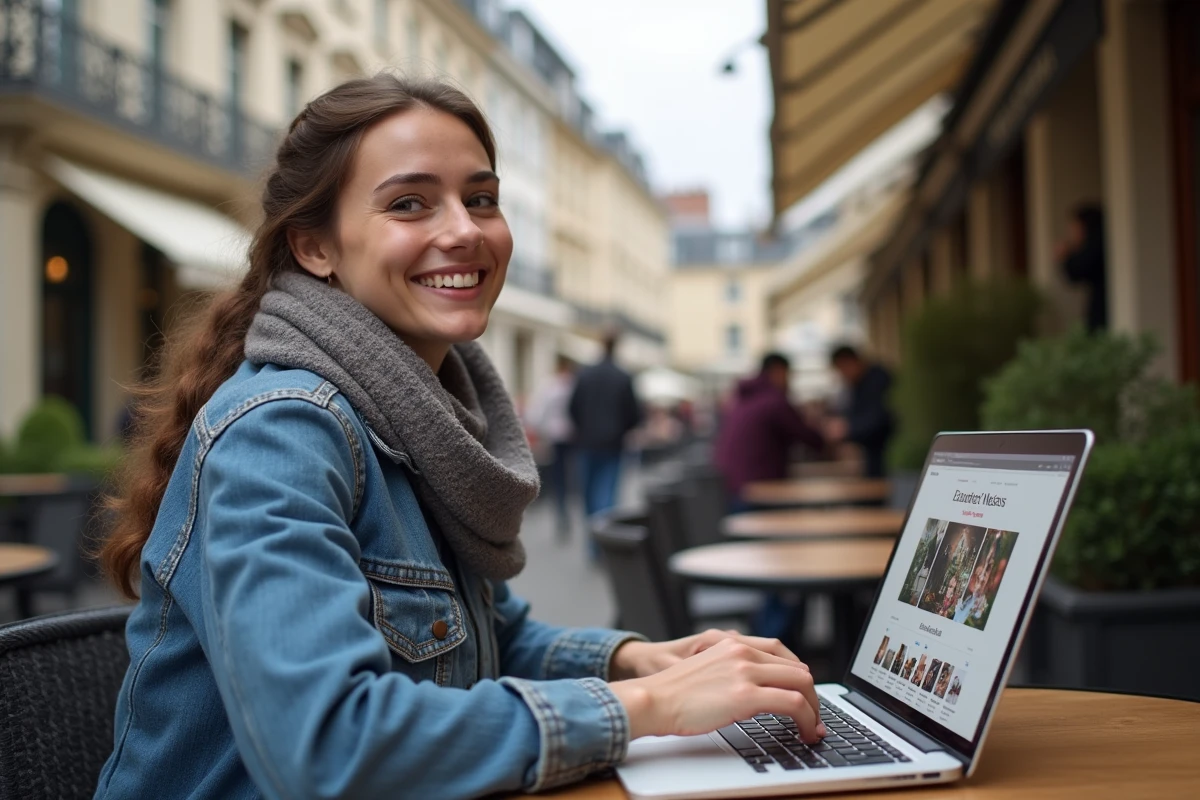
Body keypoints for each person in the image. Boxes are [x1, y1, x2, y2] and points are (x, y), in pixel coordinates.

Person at [91, 74, 825, 800]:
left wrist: (640, 661)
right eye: (410, 203)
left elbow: (486, 637)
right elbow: (326, 744)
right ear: (315, 248)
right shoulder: (285, 429)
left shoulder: (418, 414)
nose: (465, 230)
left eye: (481, 199)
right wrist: (649, 709)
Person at [713, 352, 824, 505]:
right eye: (788, 375)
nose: (788, 381)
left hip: (732, 484)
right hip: (759, 488)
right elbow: (805, 435)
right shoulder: (774, 400)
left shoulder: (742, 399)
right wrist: (827, 439)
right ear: (778, 371)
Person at [568, 330, 642, 528]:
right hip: (613, 443)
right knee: (607, 493)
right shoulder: (623, 377)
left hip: (587, 441)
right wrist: (622, 428)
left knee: (589, 494)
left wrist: (583, 428)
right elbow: (634, 414)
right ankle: (603, 539)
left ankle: (594, 539)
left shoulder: (584, 374)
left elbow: (573, 408)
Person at [525, 355, 576, 540]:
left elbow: (537, 412)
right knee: (568, 476)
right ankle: (566, 510)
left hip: (555, 437)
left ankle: (562, 512)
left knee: (559, 478)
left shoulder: (551, 385)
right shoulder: (572, 385)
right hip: (571, 437)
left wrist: (539, 429)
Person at [825, 345, 894, 479]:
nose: (842, 375)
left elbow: (879, 418)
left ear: (851, 362)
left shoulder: (878, 380)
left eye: (842, 369)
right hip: (870, 454)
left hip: (886, 454)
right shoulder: (856, 384)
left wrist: (847, 428)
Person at [1056, 204, 1107, 331]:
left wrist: (1066, 257)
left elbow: (1077, 271)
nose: (1072, 232)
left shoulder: (1096, 243)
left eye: (1075, 227)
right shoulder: (1097, 242)